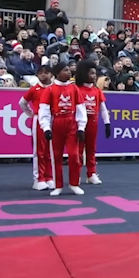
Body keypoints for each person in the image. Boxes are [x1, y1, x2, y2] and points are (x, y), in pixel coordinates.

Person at [38, 62, 87, 196]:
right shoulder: (50, 90)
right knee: (56, 156)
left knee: (74, 155)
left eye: (70, 70)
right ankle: (58, 185)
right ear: (58, 73)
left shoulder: (74, 88)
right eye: (66, 70)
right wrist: (46, 128)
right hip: (57, 123)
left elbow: (81, 108)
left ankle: (74, 183)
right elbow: (44, 110)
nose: (70, 72)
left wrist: (81, 127)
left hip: (71, 123)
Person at [75, 60, 110, 185]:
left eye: (95, 74)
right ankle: (76, 174)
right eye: (91, 73)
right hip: (78, 123)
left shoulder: (96, 91)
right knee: (77, 150)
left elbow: (103, 108)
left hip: (93, 122)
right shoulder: (76, 89)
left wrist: (107, 123)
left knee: (91, 149)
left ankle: (91, 173)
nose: (94, 76)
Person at [19, 65, 54, 191]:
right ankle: (38, 179)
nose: (43, 75)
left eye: (46, 73)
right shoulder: (34, 89)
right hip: (38, 120)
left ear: (51, 74)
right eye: (40, 73)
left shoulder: (55, 88)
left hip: (53, 121)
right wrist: (31, 114)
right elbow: (22, 102)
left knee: (50, 151)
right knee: (39, 151)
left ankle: (49, 177)